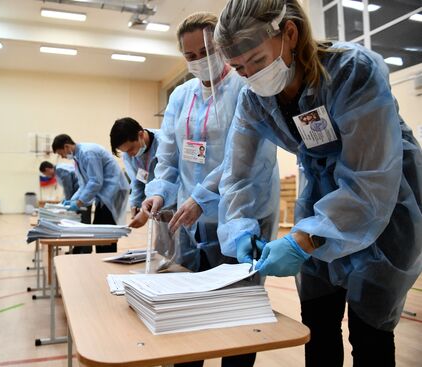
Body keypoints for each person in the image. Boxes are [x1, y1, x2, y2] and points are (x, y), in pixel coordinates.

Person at [213, 1, 422, 366]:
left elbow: (370, 182)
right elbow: (238, 173)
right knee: (318, 324)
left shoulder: (352, 71)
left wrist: (304, 239)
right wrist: (240, 227)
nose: (250, 76)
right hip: (320, 201)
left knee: (370, 332)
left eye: (258, 61)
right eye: (239, 68)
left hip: (386, 201)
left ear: (289, 33)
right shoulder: (253, 99)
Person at [142, 12, 279, 367]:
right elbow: (168, 156)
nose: (198, 61)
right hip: (193, 220)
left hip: (242, 214)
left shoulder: (246, 87)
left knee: (237, 313)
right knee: (189, 310)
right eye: (189, 56)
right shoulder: (180, 97)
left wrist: (202, 196)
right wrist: (158, 192)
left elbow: (244, 156)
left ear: (222, 46)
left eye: (205, 51)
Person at [52, 134, 129, 253]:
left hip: (113, 191)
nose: (62, 156)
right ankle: (101, 259)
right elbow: (84, 184)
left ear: (66, 146)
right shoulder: (78, 157)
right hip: (105, 194)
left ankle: (105, 260)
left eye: (60, 153)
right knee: (98, 228)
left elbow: (95, 182)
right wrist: (72, 200)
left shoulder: (88, 153)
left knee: (105, 230)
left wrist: (79, 202)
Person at [110, 117, 161, 228]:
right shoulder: (129, 155)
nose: (130, 154)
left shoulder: (164, 143)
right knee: (163, 242)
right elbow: (138, 181)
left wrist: (146, 210)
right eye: (125, 152)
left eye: (131, 149)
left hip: (176, 202)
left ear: (141, 135)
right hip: (157, 207)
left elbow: (169, 179)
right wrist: (136, 204)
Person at [39, 161, 92, 234]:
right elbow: (67, 187)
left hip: (82, 197)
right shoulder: (59, 169)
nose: (47, 176)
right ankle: (79, 243)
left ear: (47, 169)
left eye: (45, 174)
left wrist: (68, 200)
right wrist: (66, 199)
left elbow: (68, 187)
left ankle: (84, 243)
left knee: (83, 222)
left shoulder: (59, 170)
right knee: (79, 222)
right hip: (80, 195)